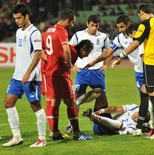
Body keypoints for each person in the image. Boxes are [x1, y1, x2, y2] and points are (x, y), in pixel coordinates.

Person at [111, 3, 154, 139]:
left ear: (141, 13)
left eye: (139, 15)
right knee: (144, 91)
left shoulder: (146, 24)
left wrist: (120, 56)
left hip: (151, 63)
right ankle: (140, 127)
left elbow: (136, 42)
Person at [42, 9, 93, 140]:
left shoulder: (47, 31)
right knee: (71, 102)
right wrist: (69, 64)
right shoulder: (61, 31)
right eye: (72, 23)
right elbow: (66, 49)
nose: (72, 25)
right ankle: (77, 134)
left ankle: (54, 133)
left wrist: (50, 61)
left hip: (49, 72)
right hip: (60, 74)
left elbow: (41, 51)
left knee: (53, 101)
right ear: (68, 20)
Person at [3, 3, 47, 147]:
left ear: (26, 16)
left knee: (36, 106)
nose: (16, 21)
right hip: (17, 76)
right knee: (8, 103)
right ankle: (17, 137)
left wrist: (28, 73)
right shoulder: (18, 32)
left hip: (31, 77)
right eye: (15, 18)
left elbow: (38, 53)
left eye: (19, 18)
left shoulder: (34, 32)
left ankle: (42, 139)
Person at [65, 14, 111, 133]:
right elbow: (68, 49)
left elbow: (110, 50)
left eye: (96, 26)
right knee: (76, 99)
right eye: (92, 25)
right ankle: (71, 125)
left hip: (97, 72)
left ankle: (103, 125)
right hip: (82, 72)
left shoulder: (103, 37)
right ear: (87, 24)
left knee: (102, 98)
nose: (94, 28)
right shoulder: (78, 35)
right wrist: (72, 65)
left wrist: (106, 64)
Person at [76, 88, 151, 135]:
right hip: (104, 117)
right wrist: (103, 110)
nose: (136, 116)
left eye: (138, 118)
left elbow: (113, 132)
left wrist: (98, 121)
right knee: (99, 92)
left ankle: (93, 116)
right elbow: (115, 109)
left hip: (103, 129)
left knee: (119, 124)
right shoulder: (134, 107)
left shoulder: (133, 128)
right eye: (138, 114)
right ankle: (76, 103)